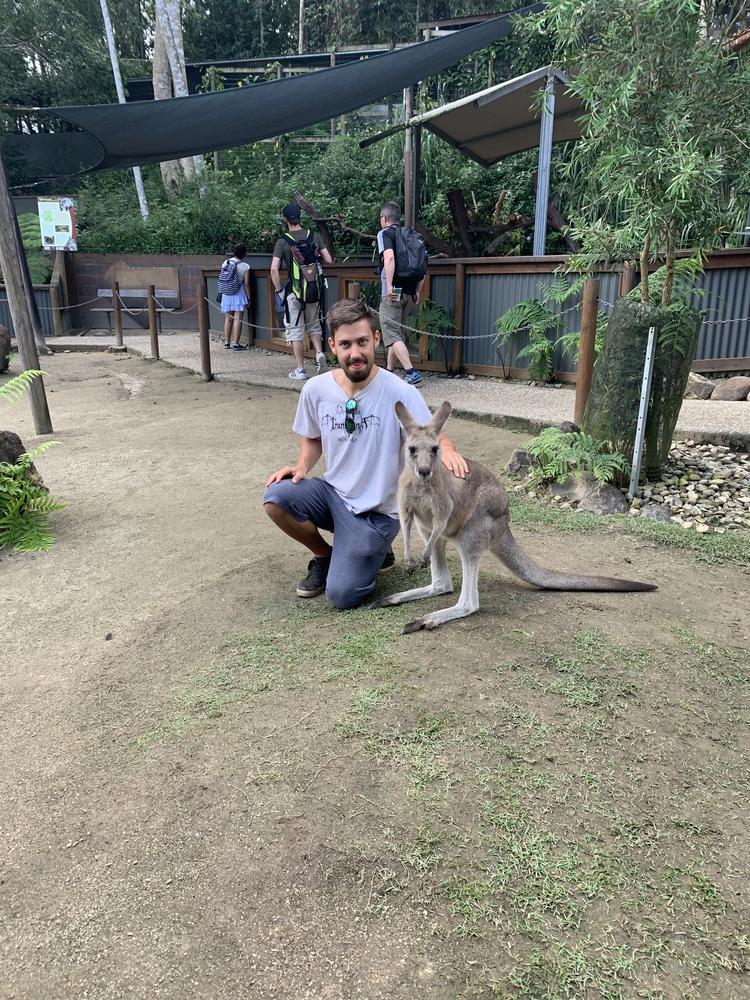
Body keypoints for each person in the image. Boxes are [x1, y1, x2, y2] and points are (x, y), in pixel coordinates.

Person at [263, 298, 468, 609]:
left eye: (362, 342)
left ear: (376, 339)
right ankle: (325, 555)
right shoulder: (315, 390)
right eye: (345, 344)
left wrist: (450, 451)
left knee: (343, 595)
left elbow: (430, 434)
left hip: (377, 513)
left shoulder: (399, 391)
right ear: (332, 345)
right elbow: (312, 438)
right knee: (276, 497)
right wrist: (302, 466)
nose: (355, 353)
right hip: (333, 495)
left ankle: (374, 549)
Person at [271, 204, 333, 381]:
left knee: (296, 329)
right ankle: (319, 353)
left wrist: (279, 291)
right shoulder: (314, 236)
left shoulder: (283, 241)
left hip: (294, 292)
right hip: (314, 289)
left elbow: (274, 270)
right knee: (313, 325)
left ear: (285, 220)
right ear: (300, 217)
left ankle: (301, 369)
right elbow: (328, 259)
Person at [377, 201, 424, 385]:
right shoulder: (412, 235)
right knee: (396, 330)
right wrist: (417, 290)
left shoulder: (385, 233)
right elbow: (422, 264)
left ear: (384, 218)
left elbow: (389, 258)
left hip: (394, 290)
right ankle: (389, 370)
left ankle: (411, 372)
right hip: (409, 291)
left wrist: (389, 286)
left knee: (392, 332)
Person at [220, 242, 251, 350]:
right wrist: (249, 298)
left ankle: (227, 342)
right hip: (238, 293)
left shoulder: (226, 262)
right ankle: (236, 344)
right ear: (244, 254)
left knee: (228, 318)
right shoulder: (245, 266)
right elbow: (246, 284)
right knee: (238, 319)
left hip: (226, 293)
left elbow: (223, 278)